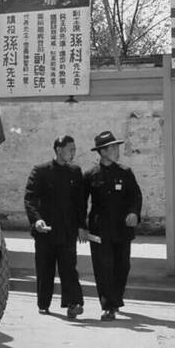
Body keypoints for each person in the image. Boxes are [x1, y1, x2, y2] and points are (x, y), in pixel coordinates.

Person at [81, 131, 142, 321]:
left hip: (122, 229)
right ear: (102, 152)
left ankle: (116, 298)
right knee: (103, 267)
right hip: (100, 229)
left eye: (117, 147)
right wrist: (81, 226)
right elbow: (81, 203)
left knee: (122, 266)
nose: (117, 151)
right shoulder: (90, 175)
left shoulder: (125, 172)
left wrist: (134, 212)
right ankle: (109, 306)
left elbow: (135, 196)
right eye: (113, 148)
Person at [24, 135, 85, 318]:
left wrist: (82, 226)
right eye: (70, 149)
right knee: (45, 268)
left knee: (69, 268)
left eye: (75, 149)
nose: (74, 153)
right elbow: (30, 199)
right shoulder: (41, 171)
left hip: (67, 231)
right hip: (46, 230)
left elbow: (80, 203)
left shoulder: (75, 171)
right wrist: (36, 220)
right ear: (59, 150)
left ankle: (74, 303)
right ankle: (44, 303)